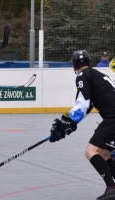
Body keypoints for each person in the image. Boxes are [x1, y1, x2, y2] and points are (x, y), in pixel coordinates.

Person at [49, 50, 115, 200]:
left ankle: (111, 189)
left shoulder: (82, 76)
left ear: (74, 66)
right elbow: (89, 104)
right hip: (112, 116)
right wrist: (66, 121)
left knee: (91, 151)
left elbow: (83, 104)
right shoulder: (96, 74)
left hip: (113, 116)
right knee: (104, 154)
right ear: (89, 62)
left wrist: (68, 122)